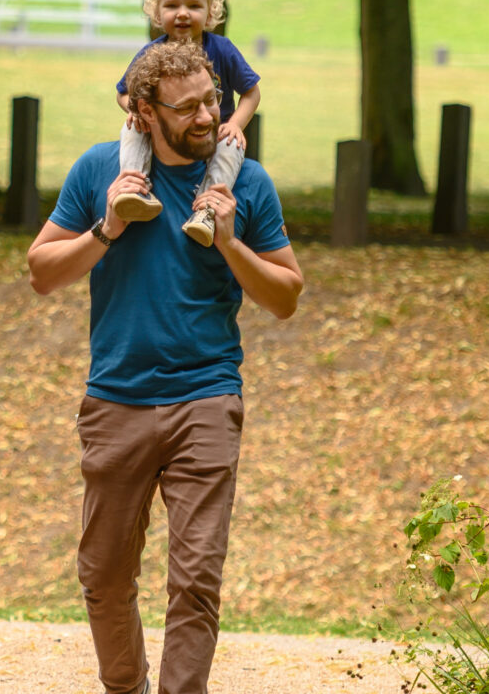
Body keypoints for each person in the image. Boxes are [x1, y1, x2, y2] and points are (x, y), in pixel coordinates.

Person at [25, 40, 304, 694]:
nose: (208, 117)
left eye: (212, 99)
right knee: (103, 574)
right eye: (188, 108)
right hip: (116, 400)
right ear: (144, 113)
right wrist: (104, 231)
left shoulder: (246, 183)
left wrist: (231, 242)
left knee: (196, 578)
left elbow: (286, 297)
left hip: (206, 398)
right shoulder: (102, 171)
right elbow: (41, 273)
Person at [111, 0, 262, 246]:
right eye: (171, 5)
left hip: (212, 133)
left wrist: (236, 124)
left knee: (230, 150)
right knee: (130, 128)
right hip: (166, 132)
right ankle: (135, 191)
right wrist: (136, 111)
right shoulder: (151, 54)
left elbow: (251, 91)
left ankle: (206, 210)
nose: (182, 13)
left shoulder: (222, 49)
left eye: (193, 6)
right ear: (157, 13)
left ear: (209, 13)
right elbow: (123, 91)